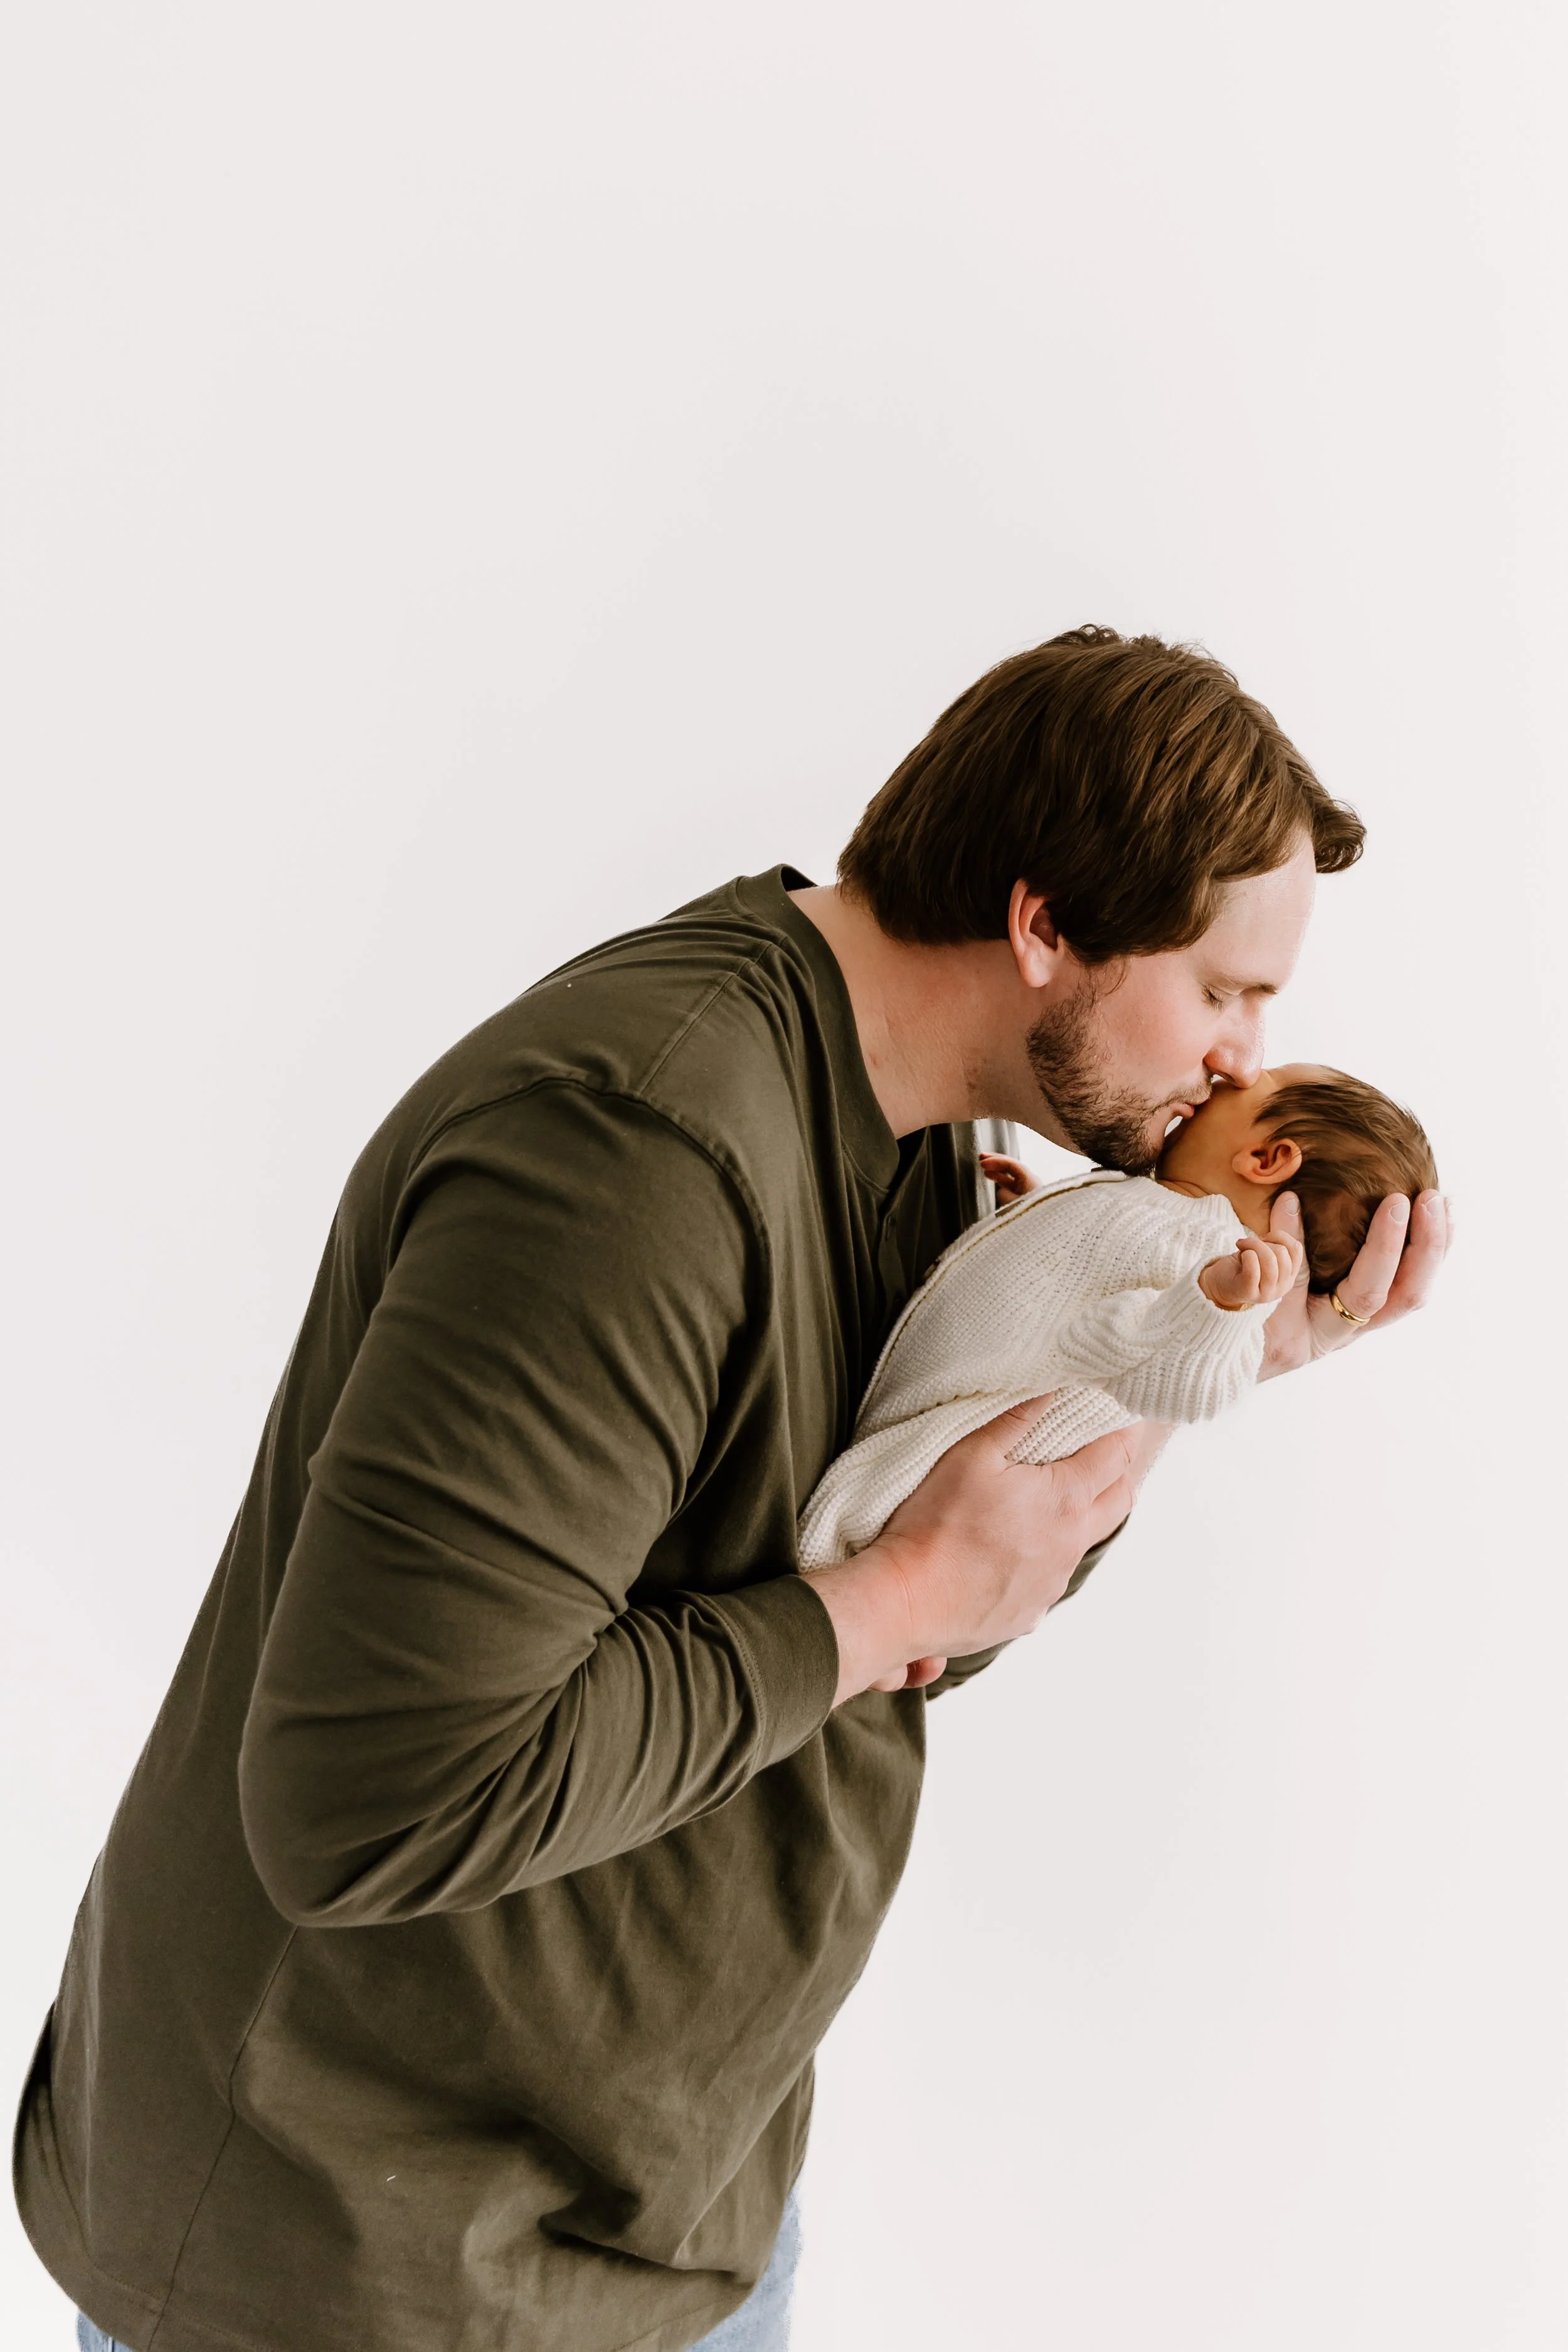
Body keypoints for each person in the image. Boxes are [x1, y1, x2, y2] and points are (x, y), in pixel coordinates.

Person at [14, 628, 1451, 2352]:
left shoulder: (935, 1119)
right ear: (1044, 920)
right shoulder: (630, 1148)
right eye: (1223, 989)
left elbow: (904, 1587)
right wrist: (904, 1595)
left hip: (673, 2203)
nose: (1244, 1060)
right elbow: (376, 1798)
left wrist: (1183, 1374)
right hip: (364, 2271)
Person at [798, 1063, 1438, 1568]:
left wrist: (1217, 1308)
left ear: (1266, 1158)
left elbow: (1176, 1380)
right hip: (931, 1415)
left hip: (947, 1450)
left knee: (836, 1533)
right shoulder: (1158, 1207)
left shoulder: (1214, 1256)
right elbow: (1082, 1285)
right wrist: (1039, 1212)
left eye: (1255, 1081)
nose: (1227, 1075)